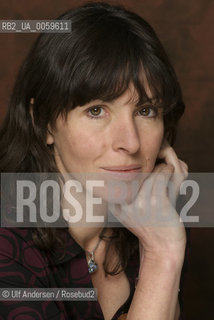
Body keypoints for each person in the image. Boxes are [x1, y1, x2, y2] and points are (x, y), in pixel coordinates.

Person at [0, 2, 189, 319]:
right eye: (96, 110)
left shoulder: (157, 215)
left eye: (145, 111)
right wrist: (161, 255)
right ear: (43, 122)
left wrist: (161, 243)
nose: (129, 142)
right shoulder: (8, 245)